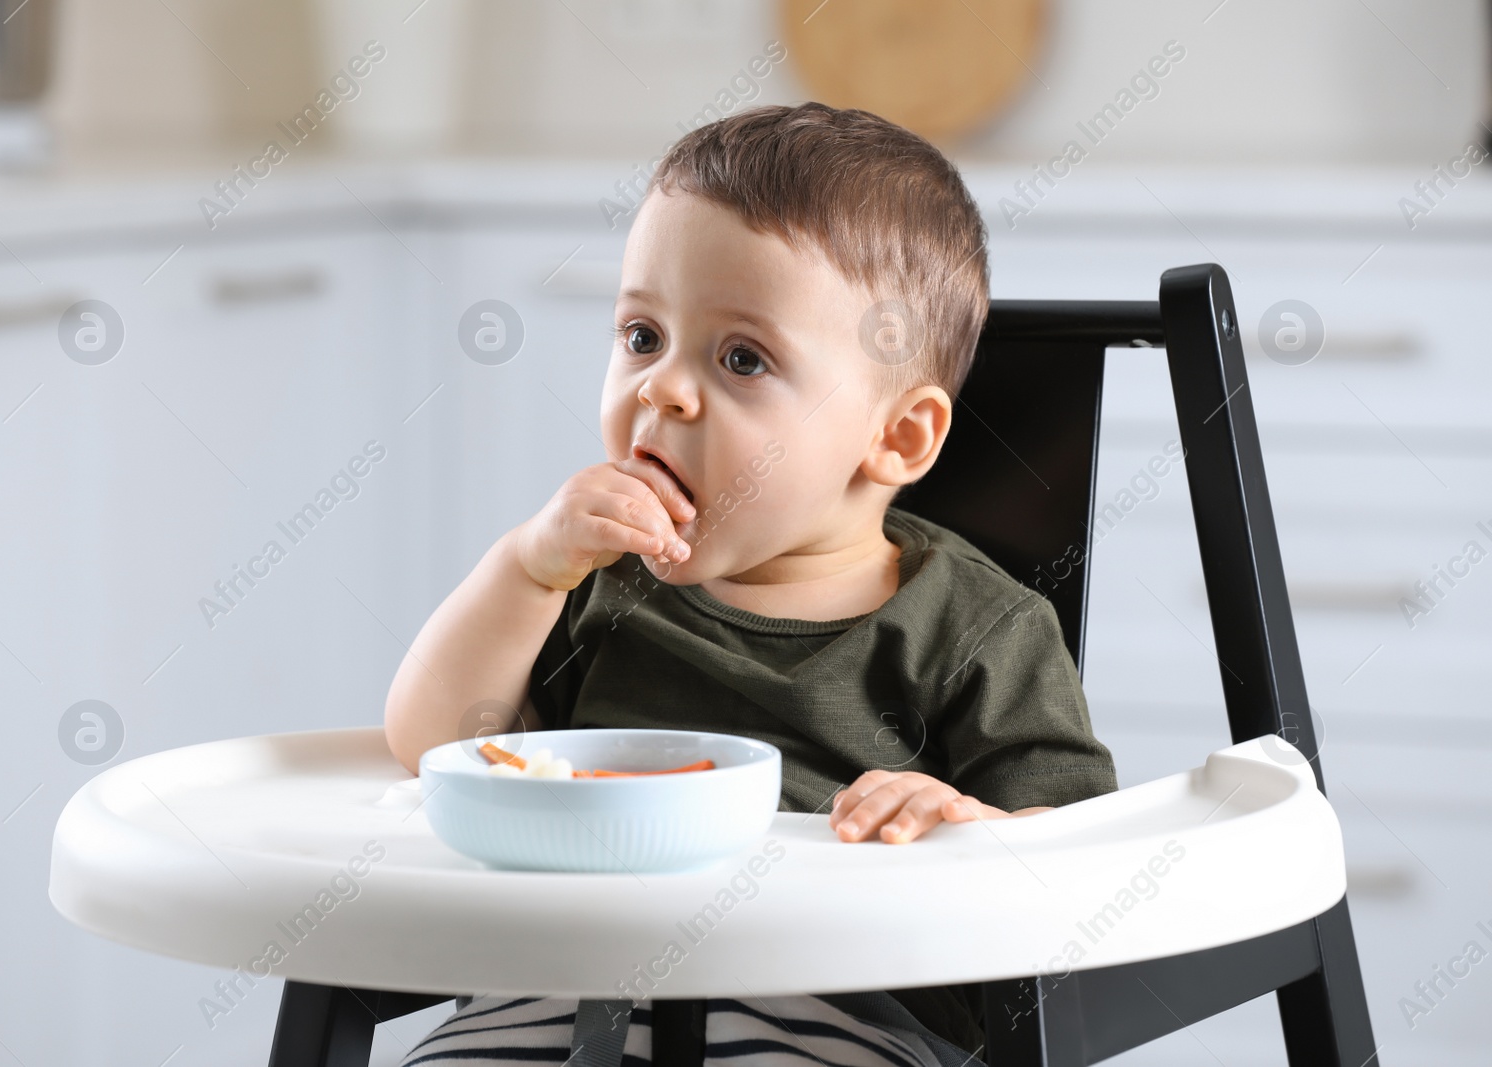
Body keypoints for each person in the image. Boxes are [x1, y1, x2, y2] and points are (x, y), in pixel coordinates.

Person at [383, 101, 1117, 1066]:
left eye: (741, 359)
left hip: (838, 1013)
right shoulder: (599, 585)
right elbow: (432, 745)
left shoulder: (977, 628)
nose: (662, 389)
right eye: (642, 335)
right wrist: (525, 567)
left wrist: (968, 827)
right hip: (566, 989)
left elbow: (1084, 865)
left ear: (897, 437)